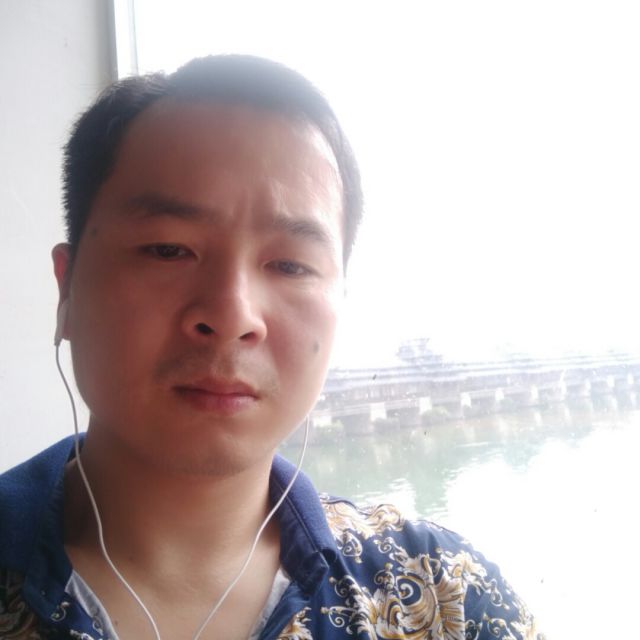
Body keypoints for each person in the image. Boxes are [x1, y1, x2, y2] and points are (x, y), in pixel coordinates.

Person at [0, 55, 543, 640]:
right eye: (168, 250)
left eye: (290, 265)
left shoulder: (443, 595)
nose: (232, 316)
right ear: (67, 289)